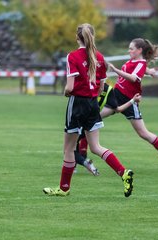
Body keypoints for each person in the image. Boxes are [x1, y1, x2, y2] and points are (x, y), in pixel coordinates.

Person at [43, 23, 134, 197]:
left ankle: (64, 188)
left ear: (77, 37)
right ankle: (123, 173)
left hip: (77, 103)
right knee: (96, 146)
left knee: (68, 149)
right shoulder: (99, 57)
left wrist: (65, 92)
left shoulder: (73, 56)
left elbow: (69, 87)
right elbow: (101, 87)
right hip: (92, 104)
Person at [104, 38, 158, 171]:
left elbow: (134, 78)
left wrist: (116, 70)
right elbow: (138, 69)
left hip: (130, 100)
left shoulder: (141, 63)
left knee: (143, 133)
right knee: (94, 118)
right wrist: (149, 71)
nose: (129, 50)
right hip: (117, 96)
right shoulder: (135, 62)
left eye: (131, 48)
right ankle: (81, 156)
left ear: (139, 50)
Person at [74, 83, 142, 176]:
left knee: (69, 148)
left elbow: (70, 91)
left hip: (79, 119)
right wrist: (132, 100)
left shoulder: (85, 82)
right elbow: (117, 109)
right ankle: (122, 172)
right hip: (93, 120)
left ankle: (83, 164)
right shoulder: (108, 89)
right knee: (95, 148)